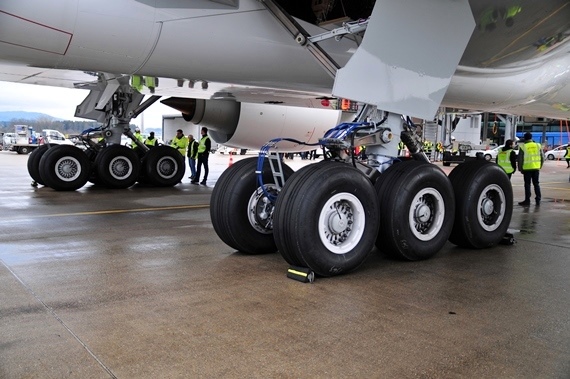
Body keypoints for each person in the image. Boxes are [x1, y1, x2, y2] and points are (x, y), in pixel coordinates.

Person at [517, 132, 544, 206]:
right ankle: (538, 199)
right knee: (536, 184)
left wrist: (520, 168)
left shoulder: (523, 147)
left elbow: (520, 159)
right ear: (531, 138)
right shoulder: (538, 145)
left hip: (527, 169)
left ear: (525, 138)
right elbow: (542, 157)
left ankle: (527, 200)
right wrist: (540, 166)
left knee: (527, 184)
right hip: (536, 168)